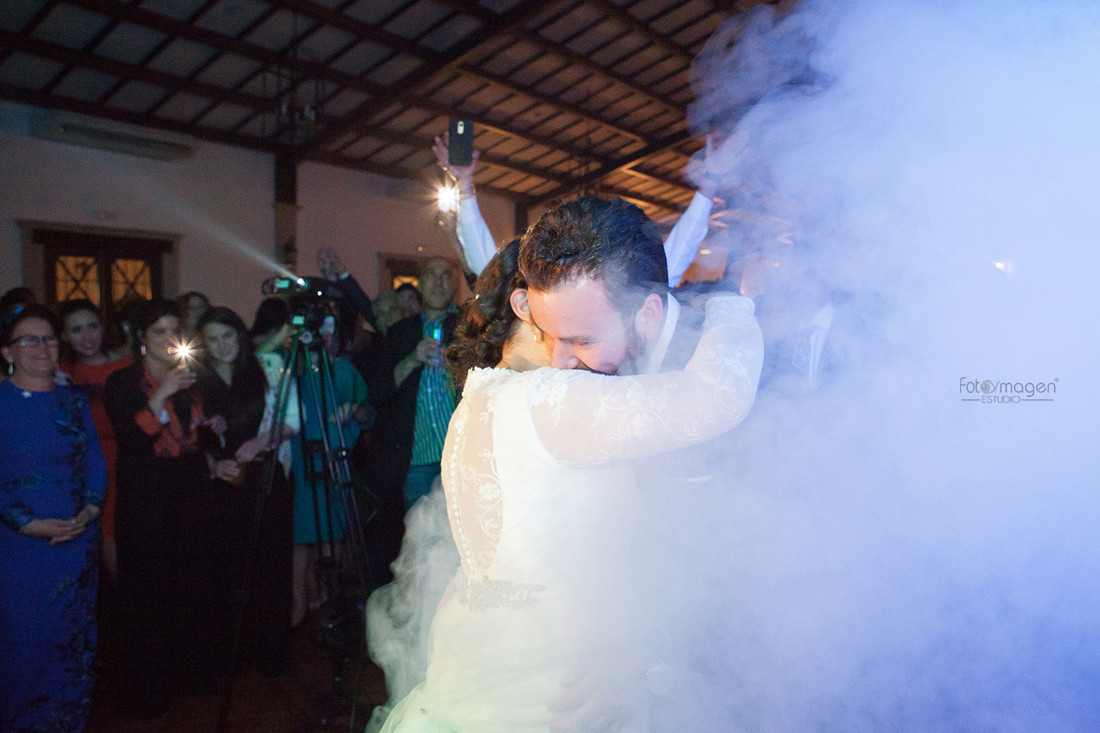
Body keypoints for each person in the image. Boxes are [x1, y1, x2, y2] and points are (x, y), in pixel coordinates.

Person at [378, 224, 763, 731]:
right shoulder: (548, 400)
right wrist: (727, 303)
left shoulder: (479, 399)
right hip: (555, 689)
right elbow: (718, 394)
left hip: (476, 667)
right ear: (525, 306)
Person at [104, 298, 219, 717]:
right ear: (141, 338)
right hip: (146, 499)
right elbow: (132, 439)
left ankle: (188, 679)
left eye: (175, 329)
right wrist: (165, 392)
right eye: (160, 331)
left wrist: (208, 429)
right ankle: (147, 693)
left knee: (188, 590)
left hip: (187, 494)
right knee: (146, 599)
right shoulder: (123, 383)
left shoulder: (192, 377)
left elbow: (193, 438)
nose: (170, 338)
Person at [432, 132, 735, 288]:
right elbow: (488, 267)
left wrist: (709, 185)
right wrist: (465, 186)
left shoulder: (626, 293)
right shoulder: (542, 294)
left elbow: (676, 254)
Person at [1, 304, 106, 733]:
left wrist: (92, 508)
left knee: (75, 646)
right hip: (22, 547)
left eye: (48, 338)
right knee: (25, 647)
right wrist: (25, 522)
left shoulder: (73, 402)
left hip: (77, 544)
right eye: (29, 339)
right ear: (7, 351)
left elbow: (95, 461)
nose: (41, 347)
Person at [196, 306, 295, 676]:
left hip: (264, 477)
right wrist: (210, 459)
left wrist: (257, 442)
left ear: (240, 334)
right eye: (213, 339)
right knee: (224, 568)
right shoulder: (196, 379)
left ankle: (270, 653)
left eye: (228, 335)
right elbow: (188, 436)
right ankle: (228, 657)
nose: (222, 345)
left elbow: (290, 420)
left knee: (269, 568)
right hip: (220, 482)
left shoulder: (267, 366)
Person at [289, 308, 371, 626]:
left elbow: (367, 412)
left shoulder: (344, 370)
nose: (325, 336)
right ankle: (299, 599)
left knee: (333, 530)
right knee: (301, 532)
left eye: (330, 330)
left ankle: (328, 595)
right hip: (299, 458)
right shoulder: (291, 371)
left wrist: (354, 410)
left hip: (335, 456)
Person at [58, 298, 132, 581]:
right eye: (77, 330)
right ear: (64, 335)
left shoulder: (125, 365)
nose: (87, 336)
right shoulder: (59, 371)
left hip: (121, 458)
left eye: (92, 326)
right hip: (78, 463)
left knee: (115, 531)